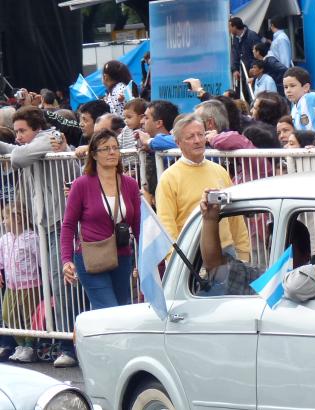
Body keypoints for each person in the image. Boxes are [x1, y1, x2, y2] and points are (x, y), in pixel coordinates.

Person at [0, 106, 81, 366]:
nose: (19, 136)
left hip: (61, 224)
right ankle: (60, 343)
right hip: (45, 225)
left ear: (37, 128)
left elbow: (19, 158)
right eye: (16, 131)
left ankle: (70, 346)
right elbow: (18, 153)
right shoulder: (37, 144)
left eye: (22, 130)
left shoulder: (51, 137)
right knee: (51, 285)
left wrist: (13, 150)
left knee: (62, 285)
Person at [60, 129, 141, 312]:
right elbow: (68, 225)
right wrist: (66, 260)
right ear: (94, 155)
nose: (112, 152)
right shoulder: (82, 184)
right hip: (91, 256)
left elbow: (137, 225)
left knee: (121, 308)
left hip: (122, 255)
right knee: (109, 310)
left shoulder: (130, 184)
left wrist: (144, 259)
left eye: (115, 148)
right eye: (105, 149)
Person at [155, 115, 251, 266]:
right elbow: (166, 226)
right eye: (190, 137)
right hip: (191, 255)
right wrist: (177, 262)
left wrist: (244, 253)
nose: (197, 140)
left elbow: (236, 218)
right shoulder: (169, 178)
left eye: (200, 134)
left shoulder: (220, 171)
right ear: (178, 142)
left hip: (227, 252)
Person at [0, 203, 41, 362]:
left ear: (17, 218)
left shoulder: (31, 237)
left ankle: (30, 347)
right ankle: (21, 344)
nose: (3, 222)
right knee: (8, 314)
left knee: (30, 317)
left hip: (30, 284)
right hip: (11, 285)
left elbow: (40, 260)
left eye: (6, 218)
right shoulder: (4, 240)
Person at [229, 16, 262, 96]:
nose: (228, 29)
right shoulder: (235, 38)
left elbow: (258, 55)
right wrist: (234, 69)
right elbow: (235, 54)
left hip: (251, 74)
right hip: (241, 75)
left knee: (251, 95)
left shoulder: (252, 36)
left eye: (229, 27)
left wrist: (253, 69)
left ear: (235, 27)